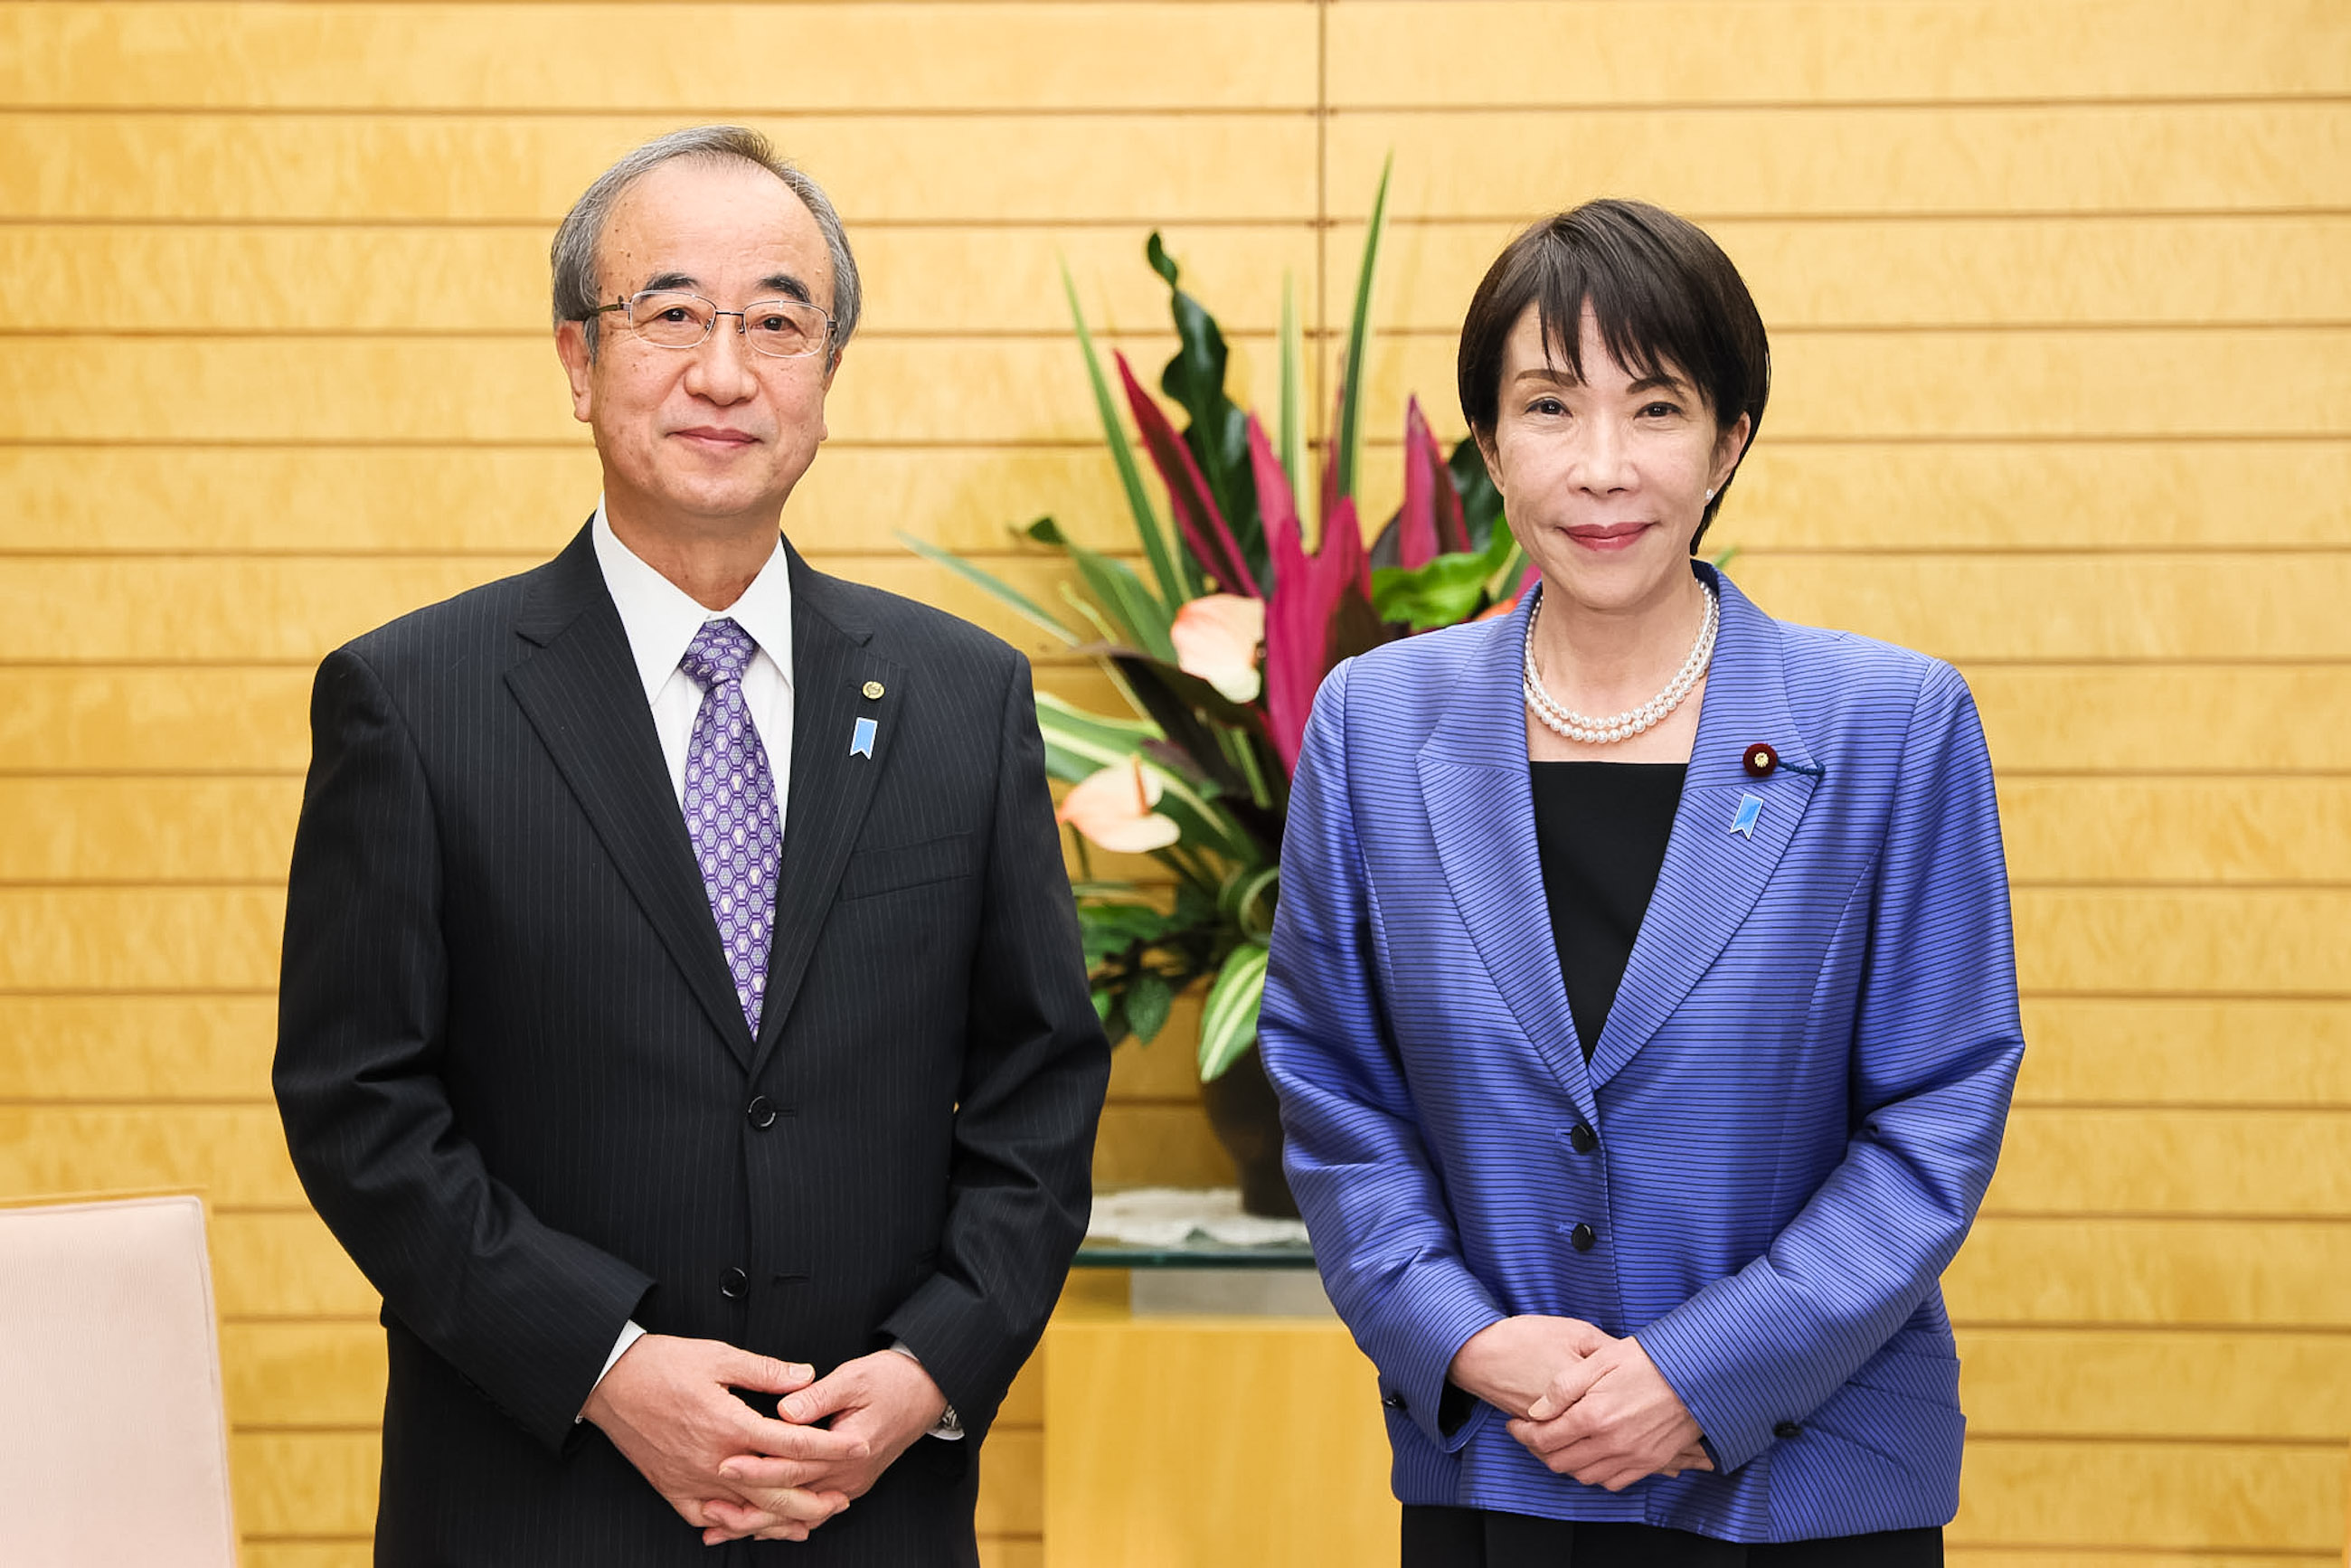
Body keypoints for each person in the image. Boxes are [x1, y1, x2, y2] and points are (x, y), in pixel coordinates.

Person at [273, 125, 1109, 1566]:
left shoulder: (961, 699)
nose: (724, 371)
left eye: (777, 322)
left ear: (827, 380)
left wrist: (929, 1371)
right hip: (538, 1502)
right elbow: (360, 1105)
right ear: (577, 360)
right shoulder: (413, 700)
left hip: (868, 1506)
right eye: (670, 314)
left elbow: (1041, 1083)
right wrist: (600, 1360)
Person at [1259, 199, 2023, 1563]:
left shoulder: (1894, 725)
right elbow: (1333, 1088)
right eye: (1550, 407)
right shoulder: (1374, 726)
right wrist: (1468, 1339)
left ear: (1729, 440)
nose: (1602, 467)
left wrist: (1698, 1374)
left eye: (1656, 408)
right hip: (1500, 1457)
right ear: (1489, 446)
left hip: (1811, 1476)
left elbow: (1937, 1110)